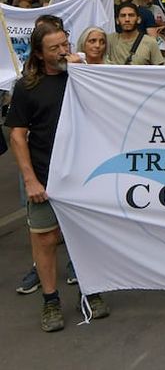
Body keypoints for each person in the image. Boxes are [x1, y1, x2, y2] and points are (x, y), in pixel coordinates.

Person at [7, 21, 109, 331]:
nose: (63, 50)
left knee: (86, 235)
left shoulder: (79, 77)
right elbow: (17, 136)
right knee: (46, 238)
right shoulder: (27, 87)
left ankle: (90, 291)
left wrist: (84, 68)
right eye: (55, 48)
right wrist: (30, 180)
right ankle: (50, 301)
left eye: (65, 44)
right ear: (38, 54)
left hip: (83, 174)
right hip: (45, 176)